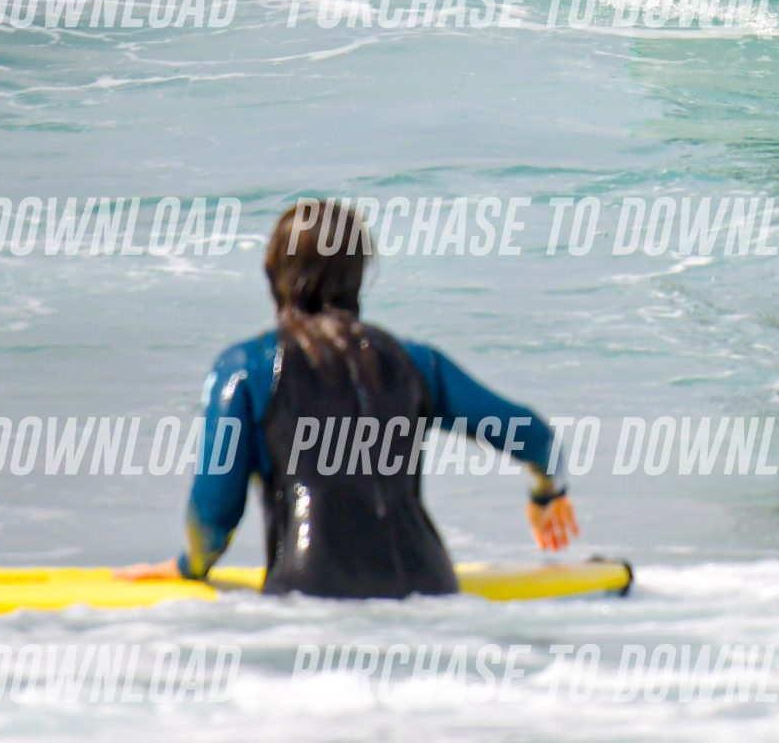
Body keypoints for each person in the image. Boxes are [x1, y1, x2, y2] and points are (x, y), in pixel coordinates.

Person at [118, 201, 577, 598]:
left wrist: (190, 567)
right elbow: (533, 436)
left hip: (309, 599)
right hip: (429, 591)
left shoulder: (245, 369)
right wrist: (548, 493)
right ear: (358, 276)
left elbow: (215, 509)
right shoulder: (415, 362)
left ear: (273, 272)